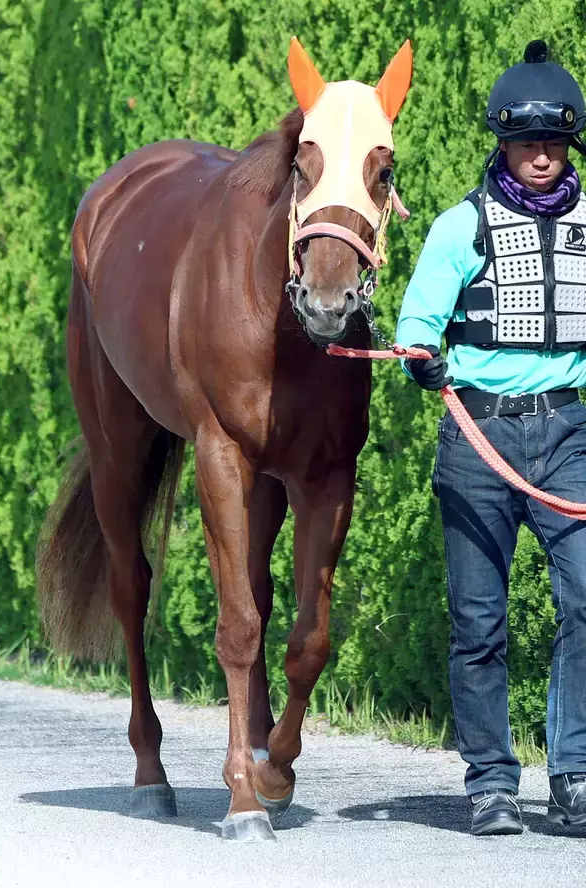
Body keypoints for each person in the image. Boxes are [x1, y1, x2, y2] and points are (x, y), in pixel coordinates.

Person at [396, 40, 586, 836]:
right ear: (503, 143)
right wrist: (419, 354)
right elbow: (418, 320)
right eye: (528, 143)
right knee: (480, 622)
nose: (542, 157)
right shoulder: (460, 225)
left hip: (568, 434)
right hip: (478, 439)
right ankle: (491, 783)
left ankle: (572, 773)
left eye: (556, 143)